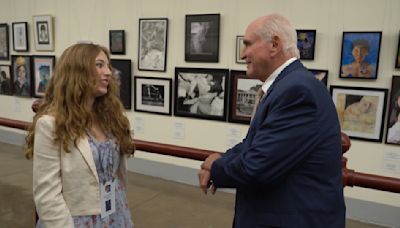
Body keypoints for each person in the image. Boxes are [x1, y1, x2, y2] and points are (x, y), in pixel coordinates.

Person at [198, 13, 345, 228]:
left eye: (247, 44)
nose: (242, 53)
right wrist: (222, 157)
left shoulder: (297, 91)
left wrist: (217, 166)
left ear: (274, 45)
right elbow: (256, 144)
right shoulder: (289, 86)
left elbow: (257, 167)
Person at [25, 43, 135, 228]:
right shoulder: (51, 124)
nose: (108, 72)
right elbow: (47, 195)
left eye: (108, 66)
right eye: (99, 65)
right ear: (77, 71)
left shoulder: (111, 118)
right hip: (76, 221)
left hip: (115, 213)